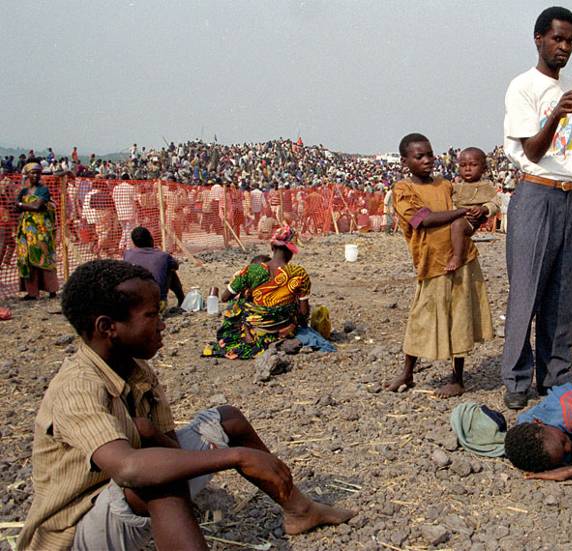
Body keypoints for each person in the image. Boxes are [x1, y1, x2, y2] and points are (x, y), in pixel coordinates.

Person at [17, 259, 353, 550]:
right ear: (108, 327)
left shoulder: (137, 371)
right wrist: (235, 457)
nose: (163, 324)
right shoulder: (78, 386)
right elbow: (129, 469)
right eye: (152, 315)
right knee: (158, 480)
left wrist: (155, 434)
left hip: (115, 500)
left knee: (227, 420)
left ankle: (300, 511)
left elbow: (171, 448)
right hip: (72, 534)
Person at [501, 6, 572, 409]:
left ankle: (555, 375)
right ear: (539, 39)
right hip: (536, 194)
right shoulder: (524, 86)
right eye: (557, 39)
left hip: (568, 197)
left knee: (564, 292)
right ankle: (517, 381)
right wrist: (556, 112)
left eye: (570, 40)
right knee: (528, 291)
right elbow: (534, 151)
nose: (564, 47)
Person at [384, 133, 493, 398]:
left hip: (462, 258)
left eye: (430, 154)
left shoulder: (446, 185)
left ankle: (458, 377)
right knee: (421, 318)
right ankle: (408, 371)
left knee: (459, 317)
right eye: (419, 156)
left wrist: (480, 212)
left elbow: (474, 214)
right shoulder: (403, 190)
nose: (427, 160)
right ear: (405, 160)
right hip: (431, 263)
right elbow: (424, 219)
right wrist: (461, 213)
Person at [205, 226, 311, 359]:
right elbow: (304, 312)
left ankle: (248, 334)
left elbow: (225, 297)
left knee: (237, 303)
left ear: (272, 248)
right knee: (296, 300)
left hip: (256, 331)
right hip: (285, 330)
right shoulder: (299, 273)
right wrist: (300, 327)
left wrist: (245, 291)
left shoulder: (251, 270)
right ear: (291, 251)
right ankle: (278, 336)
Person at [446, 147, 500, 272]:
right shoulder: (456, 187)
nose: (468, 169)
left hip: (470, 221)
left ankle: (457, 257)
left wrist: (484, 209)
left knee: (458, 225)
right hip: (457, 217)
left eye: (473, 165)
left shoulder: (486, 186)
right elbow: (451, 203)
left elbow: (495, 204)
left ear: (484, 168)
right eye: (463, 165)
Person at [15, 162, 59, 300]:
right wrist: (22, 205)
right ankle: (32, 292)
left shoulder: (43, 190)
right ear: (27, 175)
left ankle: (51, 289)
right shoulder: (24, 191)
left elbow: (37, 206)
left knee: (44, 255)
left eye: (37, 173)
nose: (35, 175)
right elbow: (15, 206)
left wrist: (22, 205)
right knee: (27, 258)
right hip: (26, 229)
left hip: (41, 230)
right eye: (32, 173)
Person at [123, 226, 185, 309]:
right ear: (151, 239)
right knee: (170, 270)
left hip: (133, 305)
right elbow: (175, 266)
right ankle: (182, 300)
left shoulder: (127, 254)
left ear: (134, 242)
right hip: (157, 305)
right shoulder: (163, 256)